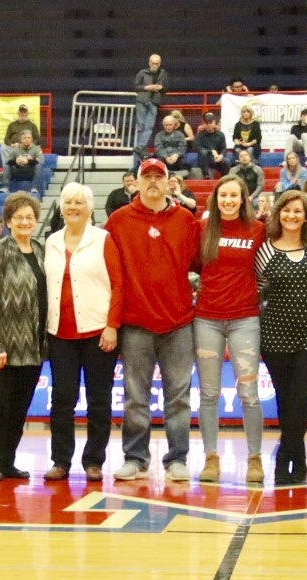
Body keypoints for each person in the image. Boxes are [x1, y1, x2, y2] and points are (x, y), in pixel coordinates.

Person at [104, 158, 200, 482]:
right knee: (135, 396)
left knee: (179, 396)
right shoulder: (118, 221)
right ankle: (135, 458)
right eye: (148, 176)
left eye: (160, 176)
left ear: (170, 182)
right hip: (135, 323)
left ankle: (177, 459)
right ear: (137, 182)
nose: (154, 182)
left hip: (178, 323)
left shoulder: (186, 220)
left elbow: (200, 263)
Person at [43, 183, 123, 482]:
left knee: (99, 399)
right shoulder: (50, 242)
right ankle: (61, 460)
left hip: (97, 332)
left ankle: (93, 461)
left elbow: (118, 284)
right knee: (62, 399)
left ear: (90, 208)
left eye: (79, 202)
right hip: (60, 333)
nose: (73, 207)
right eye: (68, 202)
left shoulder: (103, 240)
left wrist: (112, 325)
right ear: (61, 207)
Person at [256, 190, 307, 484]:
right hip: (276, 336)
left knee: (301, 397)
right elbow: (257, 290)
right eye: (286, 211)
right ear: (278, 214)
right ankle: (296, 458)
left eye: (298, 211)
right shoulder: (265, 250)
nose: (292, 216)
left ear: (306, 216)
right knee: (285, 399)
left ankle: (284, 458)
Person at [194, 175, 266, 483]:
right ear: (215, 199)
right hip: (207, 318)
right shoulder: (203, 229)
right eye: (223, 195)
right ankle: (211, 458)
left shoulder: (258, 230)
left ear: (243, 199)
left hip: (244, 319)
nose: (228, 200)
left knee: (249, 393)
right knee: (209, 393)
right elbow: (193, 266)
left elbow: (265, 270)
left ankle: (255, 458)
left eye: (234, 195)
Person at [0, 193, 47, 481]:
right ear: (8, 222)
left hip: (32, 347)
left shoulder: (41, 250)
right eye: (19, 217)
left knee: (19, 409)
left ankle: (9, 461)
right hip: (1, 346)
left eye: (29, 217)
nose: (25, 221)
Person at [134, 53, 169, 150]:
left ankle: (139, 147)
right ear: (149, 63)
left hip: (154, 101)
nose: (155, 65)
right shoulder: (142, 72)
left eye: (157, 63)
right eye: (153, 63)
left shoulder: (163, 73)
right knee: (141, 125)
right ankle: (139, 147)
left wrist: (161, 87)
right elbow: (136, 86)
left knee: (149, 126)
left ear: (160, 63)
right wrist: (146, 87)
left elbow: (166, 88)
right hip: (142, 100)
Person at [0, 129, 46, 197]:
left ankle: (34, 188)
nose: (27, 139)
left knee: (39, 166)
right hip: (18, 172)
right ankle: (4, 187)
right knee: (7, 165)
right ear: (21, 140)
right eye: (24, 138)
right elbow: (8, 161)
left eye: (29, 138)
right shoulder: (15, 149)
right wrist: (16, 161)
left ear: (32, 139)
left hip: (30, 172)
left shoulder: (37, 148)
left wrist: (29, 161)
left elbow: (41, 161)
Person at [195, 112, 229, 179]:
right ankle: (206, 176)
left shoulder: (220, 134)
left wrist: (221, 156)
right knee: (204, 153)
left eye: (210, 123)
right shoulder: (199, 135)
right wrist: (211, 151)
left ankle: (225, 179)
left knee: (226, 161)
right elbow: (198, 148)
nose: (209, 125)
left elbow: (224, 148)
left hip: (217, 157)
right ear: (204, 124)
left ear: (214, 123)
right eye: (207, 123)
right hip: (204, 158)